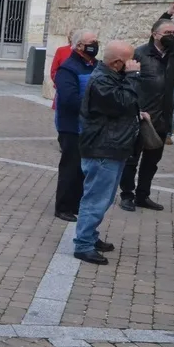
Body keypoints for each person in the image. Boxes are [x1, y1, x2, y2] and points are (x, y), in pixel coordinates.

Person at [74, 41, 144, 265]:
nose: (134, 64)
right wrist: (133, 76)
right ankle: (83, 245)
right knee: (95, 199)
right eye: (129, 61)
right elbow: (121, 102)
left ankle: (90, 236)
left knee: (103, 199)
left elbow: (124, 103)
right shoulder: (101, 81)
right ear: (116, 63)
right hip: (102, 149)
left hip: (113, 147)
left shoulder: (112, 77)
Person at [118, 18, 174, 212]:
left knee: (152, 162)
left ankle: (143, 196)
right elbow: (125, 81)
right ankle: (127, 195)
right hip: (141, 117)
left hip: (162, 118)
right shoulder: (140, 54)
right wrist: (134, 110)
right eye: (167, 33)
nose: (172, 36)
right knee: (132, 160)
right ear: (155, 34)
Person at [52, 30, 99, 222]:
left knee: (83, 169)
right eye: (91, 42)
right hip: (71, 126)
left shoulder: (96, 65)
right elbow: (69, 99)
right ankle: (63, 207)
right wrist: (96, 106)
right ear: (79, 45)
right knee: (70, 168)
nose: (95, 45)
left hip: (90, 126)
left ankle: (76, 203)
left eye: (96, 41)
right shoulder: (68, 68)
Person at [157, 2, 174, 144]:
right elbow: (157, 28)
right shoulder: (164, 41)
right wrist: (168, 14)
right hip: (161, 75)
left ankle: (167, 133)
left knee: (173, 106)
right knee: (157, 102)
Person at [50, 28, 75, 110]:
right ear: (70, 38)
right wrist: (60, 84)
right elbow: (54, 70)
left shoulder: (83, 53)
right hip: (62, 89)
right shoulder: (61, 51)